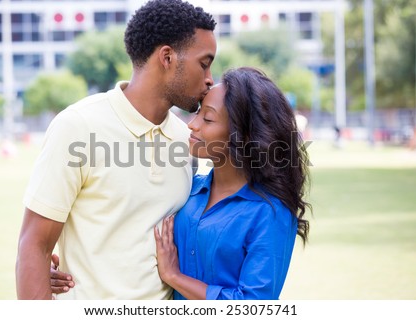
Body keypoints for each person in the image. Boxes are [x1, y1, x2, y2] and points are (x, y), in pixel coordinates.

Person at [51, 67, 311, 300]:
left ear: (243, 135)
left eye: (207, 119)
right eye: (197, 113)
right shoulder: (189, 189)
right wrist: (67, 266)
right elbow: (129, 228)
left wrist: (176, 278)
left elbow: (253, 306)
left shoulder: (271, 212)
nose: (192, 125)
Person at [16, 0, 217, 300]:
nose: (210, 78)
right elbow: (34, 245)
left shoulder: (186, 140)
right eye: (204, 63)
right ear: (167, 57)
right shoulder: (78, 126)